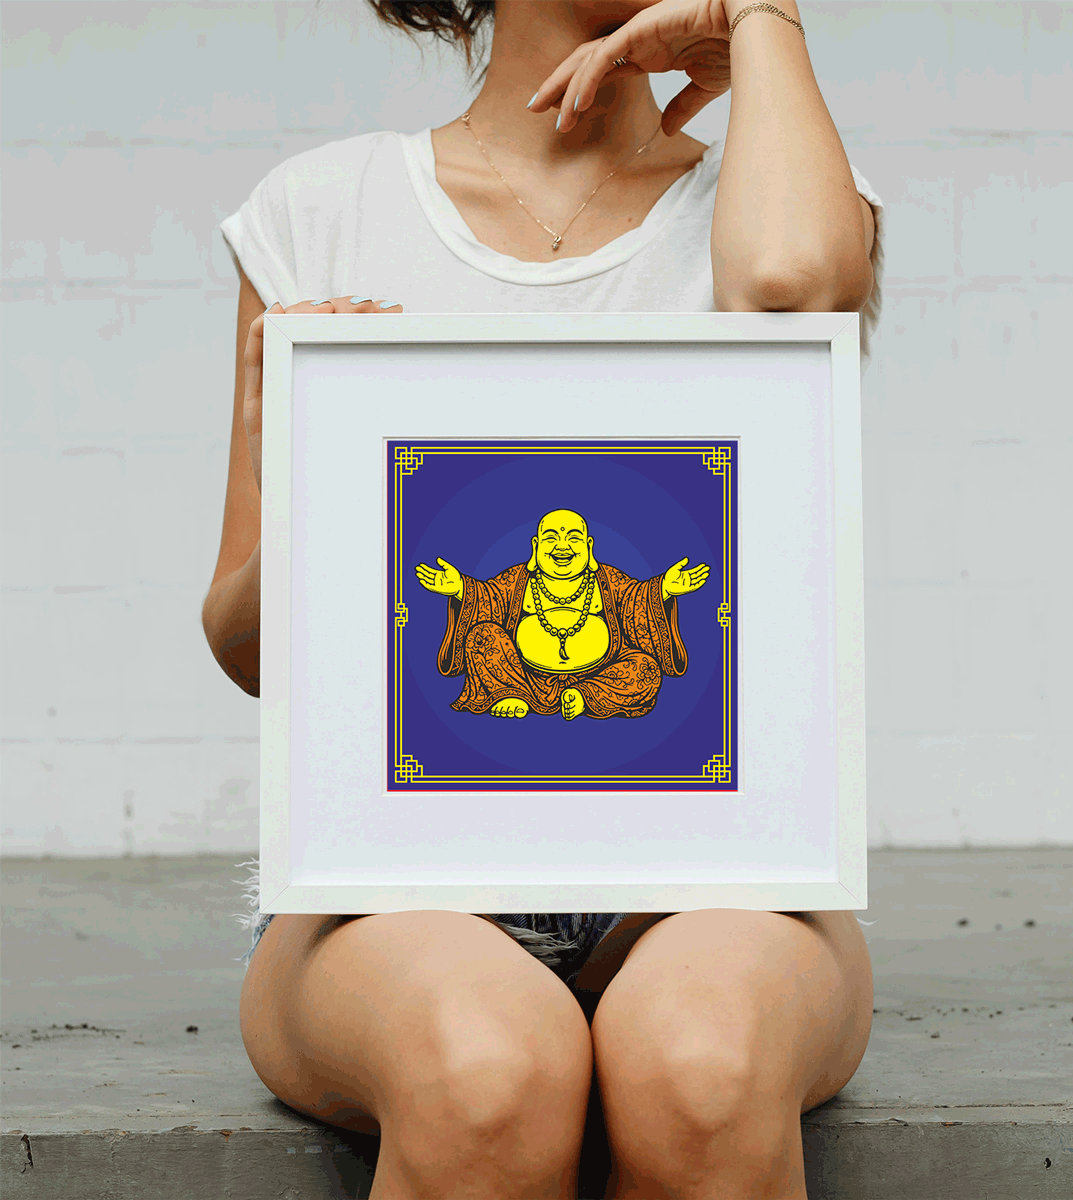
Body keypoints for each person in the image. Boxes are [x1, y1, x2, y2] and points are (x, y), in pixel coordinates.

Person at [204, 2, 882, 1197]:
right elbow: (248, 647)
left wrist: (760, 16)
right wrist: (301, 472)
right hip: (391, 892)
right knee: (486, 1072)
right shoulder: (320, 209)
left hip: (720, 876)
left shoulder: (783, 195)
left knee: (703, 1069)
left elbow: (789, 287)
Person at [417, 507, 709, 720]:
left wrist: (662, 590)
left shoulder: (609, 580)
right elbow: (488, 599)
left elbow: (637, 601)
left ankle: (584, 696)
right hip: (524, 677)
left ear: (589, 546)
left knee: (645, 669)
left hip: (599, 675)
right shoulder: (517, 580)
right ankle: (510, 693)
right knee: (482, 637)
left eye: (573, 537)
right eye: (551, 538)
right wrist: (460, 589)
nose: (562, 546)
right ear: (535, 546)